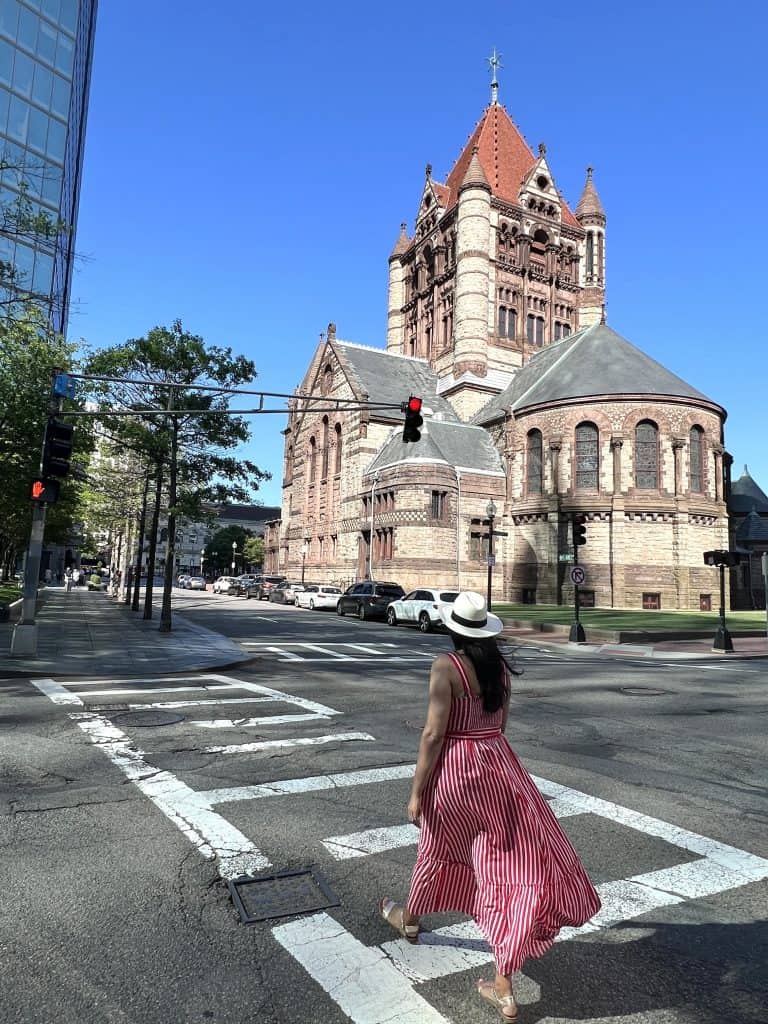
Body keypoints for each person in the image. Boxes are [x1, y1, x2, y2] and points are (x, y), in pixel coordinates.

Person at [379, 591, 600, 1021]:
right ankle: (503, 984)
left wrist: (416, 791)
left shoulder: (445, 666)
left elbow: (432, 734)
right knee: (505, 867)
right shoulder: (500, 669)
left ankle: (409, 918)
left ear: (452, 628)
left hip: (457, 772)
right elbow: (501, 724)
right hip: (498, 766)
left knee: (438, 849)